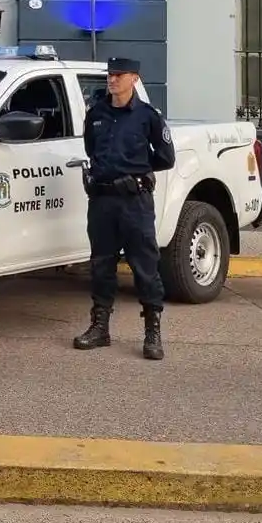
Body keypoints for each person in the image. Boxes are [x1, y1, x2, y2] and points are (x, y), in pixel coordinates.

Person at [73, 57, 176, 360]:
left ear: (134, 78)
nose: (112, 79)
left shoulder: (147, 116)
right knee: (101, 264)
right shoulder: (95, 114)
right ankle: (100, 327)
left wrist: (139, 171)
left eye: (119, 75)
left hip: (135, 202)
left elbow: (166, 157)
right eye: (110, 74)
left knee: (145, 266)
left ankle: (152, 332)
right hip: (103, 201)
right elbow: (91, 149)